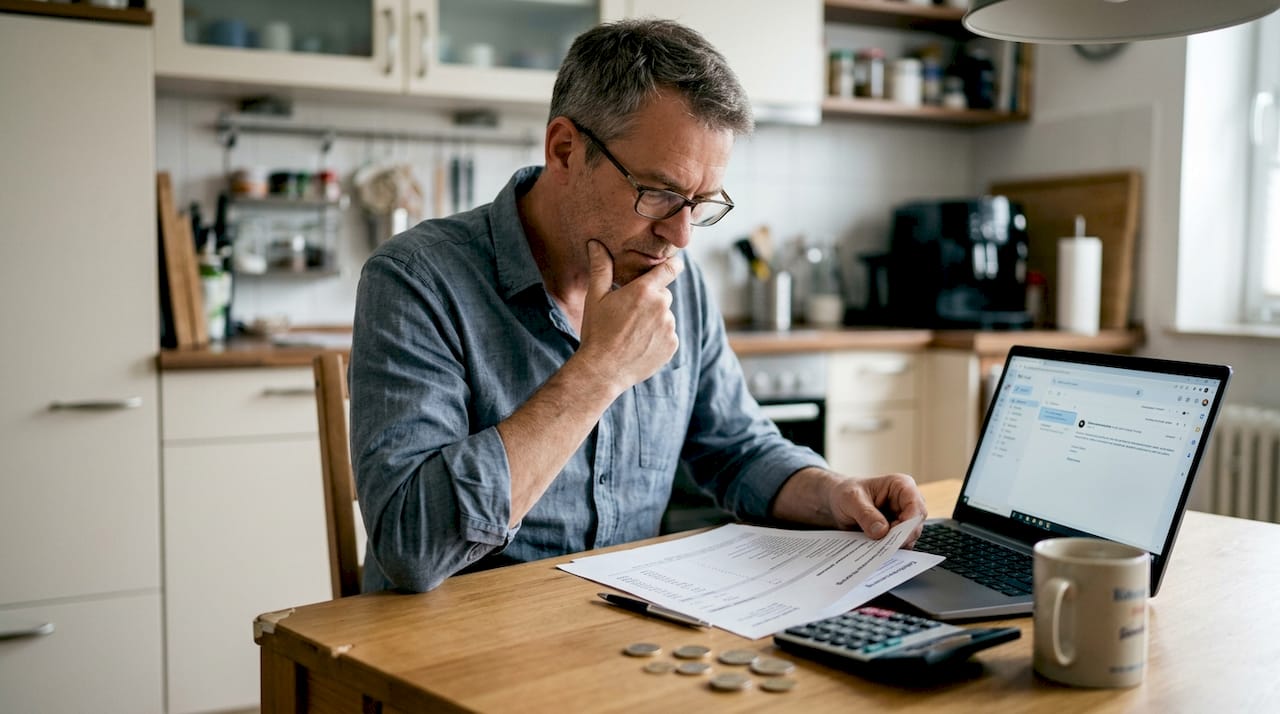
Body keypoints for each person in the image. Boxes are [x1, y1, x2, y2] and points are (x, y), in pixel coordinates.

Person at [349, 18, 926, 594]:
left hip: (617, 634)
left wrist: (831, 492)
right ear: (565, 149)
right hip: (448, 646)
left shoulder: (678, 280)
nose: (680, 235)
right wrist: (599, 370)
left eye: (699, 203)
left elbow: (736, 448)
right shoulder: (417, 278)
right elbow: (410, 546)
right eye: (658, 193)